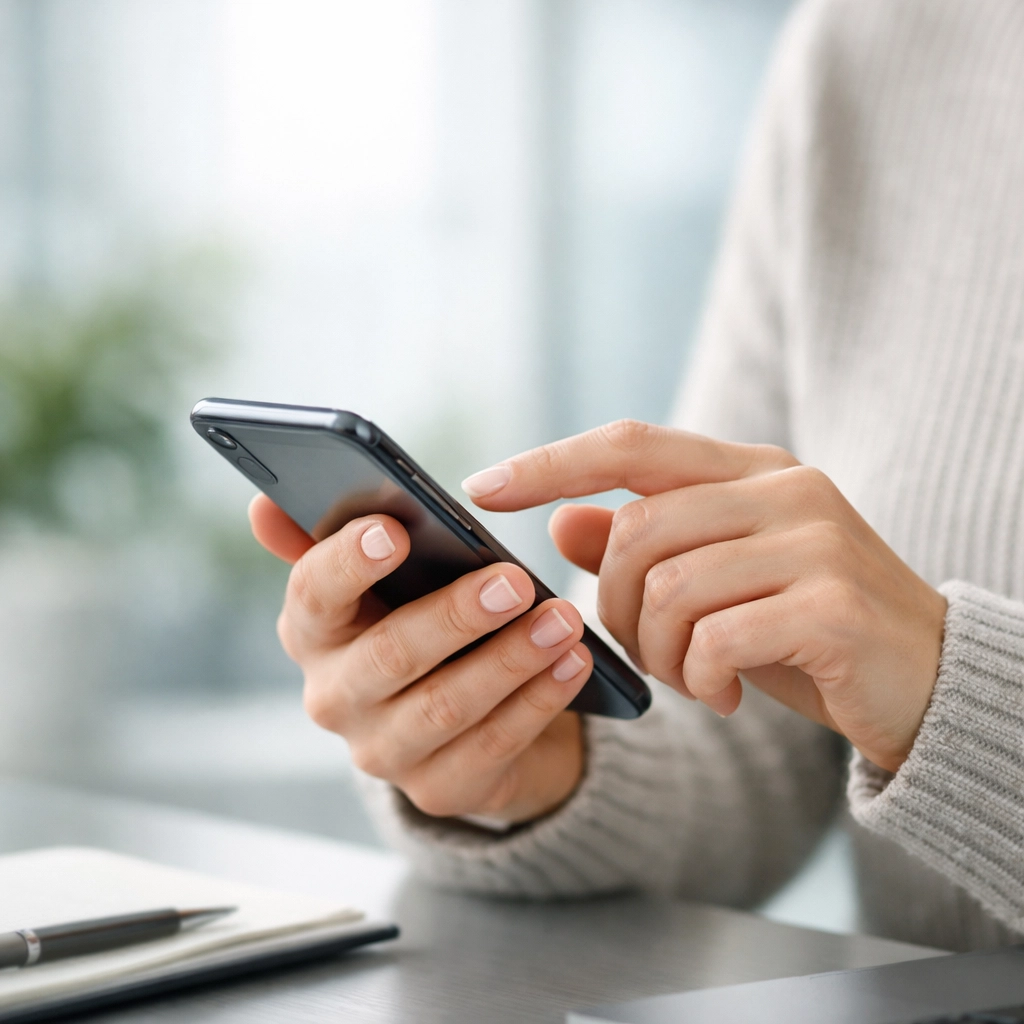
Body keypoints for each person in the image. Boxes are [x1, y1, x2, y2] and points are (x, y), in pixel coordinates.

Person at [249, 0, 1024, 952]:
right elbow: (754, 723)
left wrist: (952, 693)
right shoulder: (871, 42)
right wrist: (543, 761)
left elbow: (901, 678)